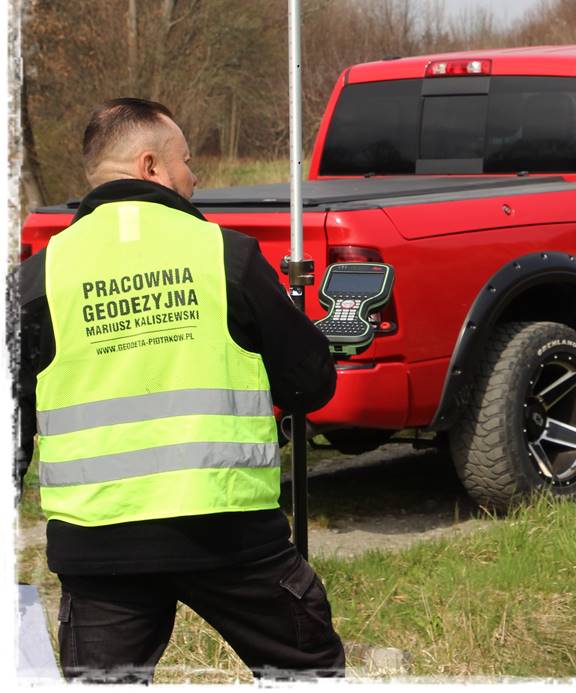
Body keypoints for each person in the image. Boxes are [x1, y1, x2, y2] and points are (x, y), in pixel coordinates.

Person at [11, 98, 345, 682]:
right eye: (186, 160)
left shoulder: (37, 278)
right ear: (151, 167)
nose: (195, 176)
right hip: (229, 535)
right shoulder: (226, 256)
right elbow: (311, 385)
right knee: (308, 672)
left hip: (98, 548)